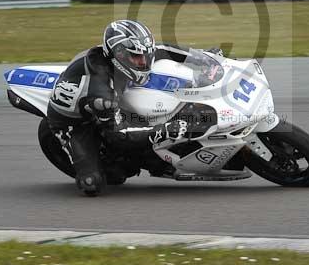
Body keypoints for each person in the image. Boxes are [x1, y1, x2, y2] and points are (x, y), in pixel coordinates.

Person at [46, 19, 221, 196]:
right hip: (75, 123)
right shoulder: (101, 91)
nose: (143, 61)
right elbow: (119, 135)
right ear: (119, 55)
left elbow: (165, 50)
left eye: (145, 55)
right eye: (136, 57)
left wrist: (205, 59)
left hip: (109, 103)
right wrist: (166, 131)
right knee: (93, 184)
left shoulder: (127, 55)